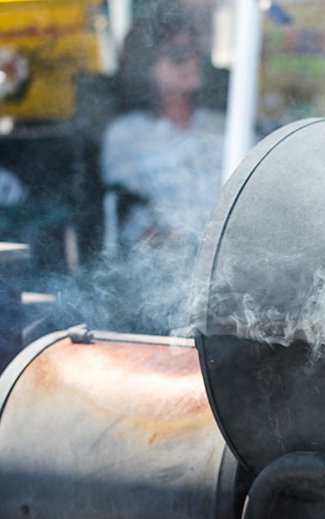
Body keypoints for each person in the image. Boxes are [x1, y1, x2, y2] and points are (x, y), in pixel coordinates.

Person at [98, 1, 226, 334]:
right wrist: (184, 251)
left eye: (193, 51)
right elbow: (129, 219)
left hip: (233, 264)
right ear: (145, 68)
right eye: (176, 55)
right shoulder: (128, 135)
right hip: (168, 276)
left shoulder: (223, 127)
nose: (191, 61)